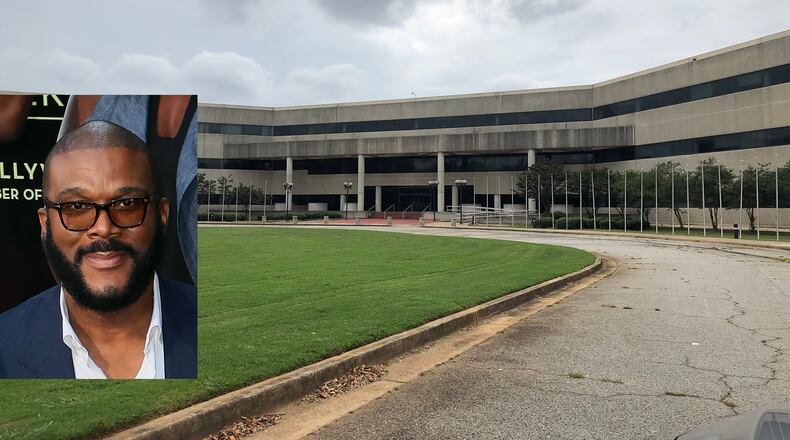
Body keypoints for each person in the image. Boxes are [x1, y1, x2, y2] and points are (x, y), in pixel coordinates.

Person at [0, 120, 197, 379]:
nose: (103, 228)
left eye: (127, 204)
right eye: (77, 207)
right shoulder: (6, 345)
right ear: (45, 224)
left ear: (162, 214)